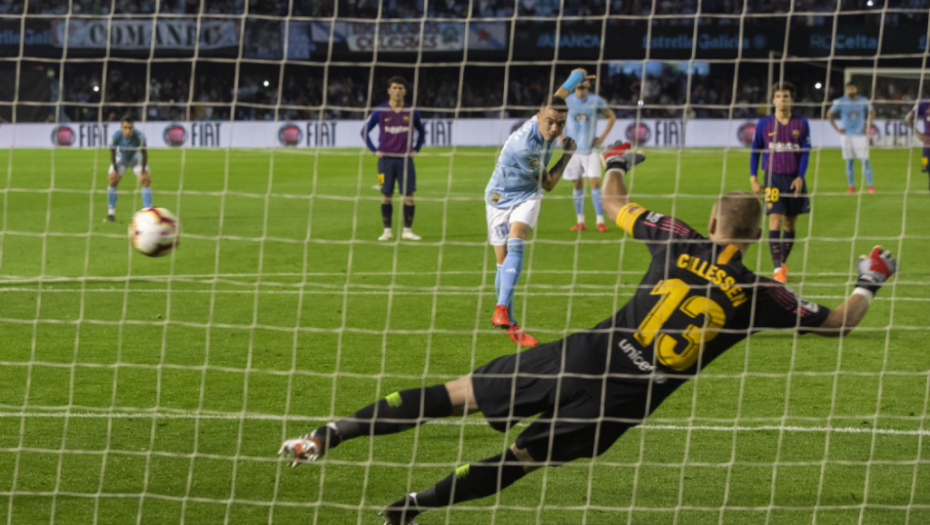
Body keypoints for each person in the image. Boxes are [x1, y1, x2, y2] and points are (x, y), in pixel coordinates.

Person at [279, 141, 896, 525]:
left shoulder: (678, 238)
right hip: (625, 400)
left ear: (712, 221)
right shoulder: (762, 294)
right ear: (758, 236)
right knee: (521, 458)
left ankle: (328, 434)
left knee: (457, 394)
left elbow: (612, 204)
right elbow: (840, 323)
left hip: (585, 354)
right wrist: (869, 279)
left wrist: (617, 161)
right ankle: (412, 508)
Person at [483, 68, 592, 347]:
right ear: (539, 117)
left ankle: (501, 310)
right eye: (550, 123)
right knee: (501, 263)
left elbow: (558, 96)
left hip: (527, 196)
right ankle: (510, 322)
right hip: (498, 197)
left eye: (560, 124)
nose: (554, 129)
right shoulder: (526, 148)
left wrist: (575, 77)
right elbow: (550, 184)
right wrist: (567, 154)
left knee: (517, 241)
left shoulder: (547, 113)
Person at [749, 82, 811, 284]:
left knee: (790, 224)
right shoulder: (764, 124)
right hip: (772, 179)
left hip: (794, 179)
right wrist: (753, 178)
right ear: (773, 99)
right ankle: (777, 269)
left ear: (791, 99)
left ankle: (782, 262)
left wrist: (800, 177)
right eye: (779, 96)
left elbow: (805, 153)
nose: (782, 100)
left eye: (786, 96)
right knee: (775, 220)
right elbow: (755, 152)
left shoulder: (801, 123)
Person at [363, 76, 426, 241]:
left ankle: (407, 231)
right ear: (389, 91)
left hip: (405, 160)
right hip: (385, 161)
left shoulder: (412, 111)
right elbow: (364, 131)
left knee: (409, 195)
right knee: (386, 195)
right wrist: (374, 150)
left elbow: (422, 132)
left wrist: (416, 149)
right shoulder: (380, 111)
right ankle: (387, 231)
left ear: (405, 91)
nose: (397, 91)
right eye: (395, 88)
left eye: (400, 88)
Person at [562, 79, 616, 232]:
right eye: (579, 88)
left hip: (590, 150)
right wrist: (560, 137)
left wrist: (602, 138)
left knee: (595, 183)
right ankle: (580, 221)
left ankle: (600, 221)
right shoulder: (567, 101)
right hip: (572, 151)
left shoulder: (595, 100)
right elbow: (553, 117)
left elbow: (611, 116)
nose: (582, 91)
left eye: (584, 88)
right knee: (577, 184)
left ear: (588, 87)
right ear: (575, 88)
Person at [828, 82, 876, 194]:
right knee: (849, 162)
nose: (851, 90)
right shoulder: (840, 101)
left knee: (865, 161)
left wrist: (867, 126)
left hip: (860, 136)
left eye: (853, 88)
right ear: (846, 90)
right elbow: (829, 114)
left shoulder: (863, 100)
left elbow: (872, 112)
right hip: (846, 136)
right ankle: (851, 187)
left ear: (856, 89)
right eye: (849, 88)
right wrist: (836, 128)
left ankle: (870, 186)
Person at [106, 116, 150, 222]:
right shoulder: (116, 135)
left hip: (136, 159)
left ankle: (148, 212)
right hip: (122, 159)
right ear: (121, 128)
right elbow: (112, 152)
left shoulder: (139, 136)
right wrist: (115, 169)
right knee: (113, 180)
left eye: (130, 128)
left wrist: (143, 170)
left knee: (145, 180)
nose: (128, 131)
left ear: (133, 127)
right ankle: (111, 213)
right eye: (125, 128)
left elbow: (144, 153)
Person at [904, 98, 930, 191]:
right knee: (928, 169)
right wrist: (918, 134)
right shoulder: (924, 104)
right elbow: (907, 119)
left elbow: (907, 119)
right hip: (928, 145)